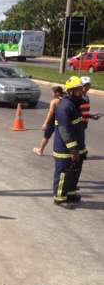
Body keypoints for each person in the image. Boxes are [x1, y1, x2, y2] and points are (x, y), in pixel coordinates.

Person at [52, 76, 87, 209]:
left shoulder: (74, 104)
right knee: (64, 174)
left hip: (77, 147)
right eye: (78, 90)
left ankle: (71, 193)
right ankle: (60, 198)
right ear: (71, 91)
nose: (81, 92)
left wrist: (81, 149)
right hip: (65, 150)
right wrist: (73, 150)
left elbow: (77, 127)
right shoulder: (65, 107)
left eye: (81, 89)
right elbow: (65, 131)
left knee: (74, 172)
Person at [33, 85, 64, 156]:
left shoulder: (54, 101)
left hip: (52, 121)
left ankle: (40, 150)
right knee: (62, 137)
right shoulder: (64, 100)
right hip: (61, 121)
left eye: (53, 92)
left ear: (57, 93)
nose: (52, 94)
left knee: (46, 137)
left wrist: (45, 123)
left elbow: (50, 113)